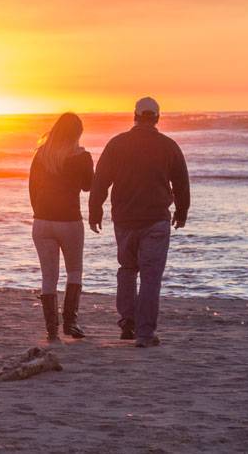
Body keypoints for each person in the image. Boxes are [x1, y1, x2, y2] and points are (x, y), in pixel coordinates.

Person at [88, 97, 190, 348]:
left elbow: (100, 180)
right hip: (155, 220)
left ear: (134, 115)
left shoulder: (117, 144)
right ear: (157, 118)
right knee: (150, 277)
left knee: (127, 269)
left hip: (124, 219)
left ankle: (127, 322)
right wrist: (182, 211)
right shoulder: (168, 146)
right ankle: (144, 333)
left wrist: (95, 210)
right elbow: (181, 182)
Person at [29, 112, 94, 342]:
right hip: (69, 221)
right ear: (77, 133)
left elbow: (32, 189)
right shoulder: (81, 156)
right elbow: (88, 186)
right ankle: (70, 322)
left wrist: (40, 212)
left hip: (42, 221)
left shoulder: (41, 155)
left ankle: (51, 331)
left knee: (49, 277)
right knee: (74, 271)